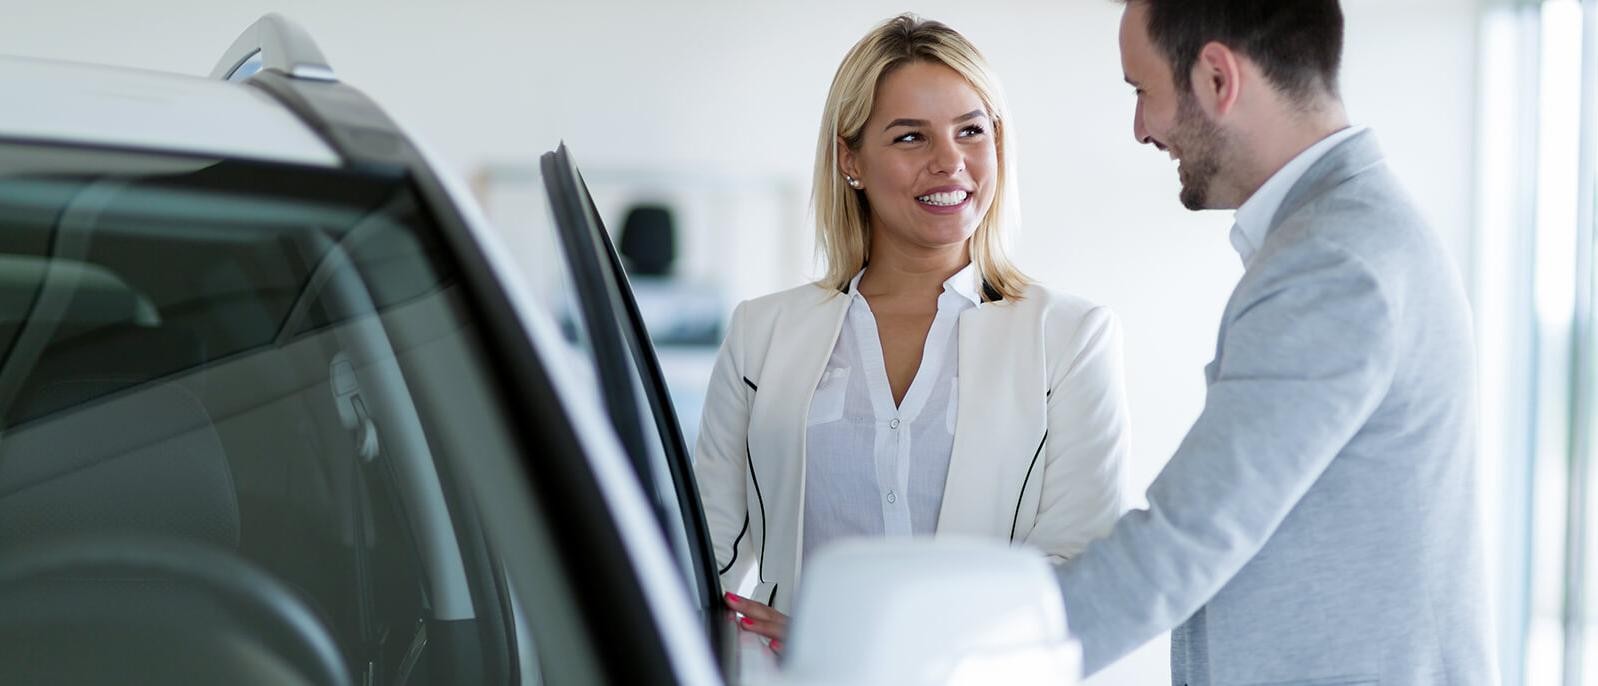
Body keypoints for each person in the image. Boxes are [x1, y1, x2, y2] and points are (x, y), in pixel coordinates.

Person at [1053, 1, 1497, 683]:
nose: (1141, 129)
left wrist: (970, 659)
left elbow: (1186, 538)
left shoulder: (1332, 261)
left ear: (1217, 78)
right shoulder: (1354, 234)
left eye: (1143, 92)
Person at [692, 14, 1130, 652]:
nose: (949, 162)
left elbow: (1079, 569)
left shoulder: (1069, 338)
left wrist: (862, 642)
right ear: (851, 159)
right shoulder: (763, 333)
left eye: (971, 131)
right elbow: (704, 557)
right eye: (910, 137)